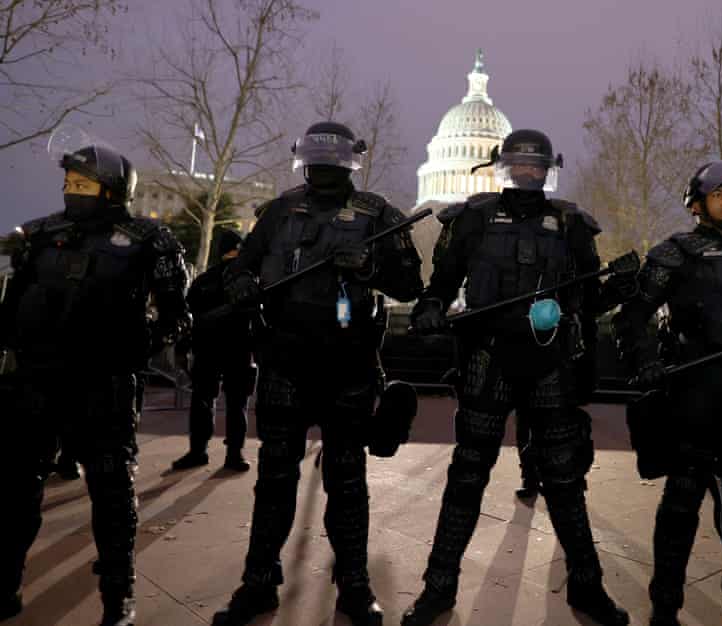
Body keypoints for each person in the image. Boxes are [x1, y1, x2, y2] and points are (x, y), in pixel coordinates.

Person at [403, 129, 632, 626]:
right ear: (503, 166)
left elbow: (588, 301)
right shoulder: (473, 218)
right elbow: (441, 283)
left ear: (547, 170)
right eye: (519, 165)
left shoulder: (572, 223)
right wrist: (430, 307)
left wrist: (619, 289)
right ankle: (437, 588)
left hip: (550, 364)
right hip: (489, 357)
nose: (527, 173)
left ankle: (587, 587)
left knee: (566, 483)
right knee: (466, 478)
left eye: (536, 166)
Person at [212, 122, 423, 626]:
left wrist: (370, 267)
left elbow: (412, 283)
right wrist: (239, 283)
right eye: (315, 162)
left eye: (331, 162)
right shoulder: (280, 210)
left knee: (348, 482)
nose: (322, 170)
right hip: (285, 361)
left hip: (347, 366)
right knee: (274, 481)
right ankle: (258, 580)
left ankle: (354, 584)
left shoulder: (379, 215)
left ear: (348, 163)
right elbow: (243, 263)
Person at [0, 130, 190, 626]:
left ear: (111, 188)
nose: (71, 189)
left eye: (82, 183)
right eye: (68, 181)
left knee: (111, 495)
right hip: (36, 383)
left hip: (102, 387)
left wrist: (135, 348)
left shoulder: (152, 241)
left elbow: (176, 315)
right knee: (17, 489)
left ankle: (118, 596)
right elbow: (11, 307)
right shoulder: (39, 234)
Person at [614, 159, 722, 626]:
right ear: (698, 203)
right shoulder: (675, 252)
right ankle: (665, 603)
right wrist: (647, 359)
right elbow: (631, 317)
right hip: (693, 394)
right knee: (682, 503)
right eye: (720, 193)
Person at [172, 228, 256, 473]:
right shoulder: (249, 278)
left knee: (202, 401)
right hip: (239, 349)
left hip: (207, 349)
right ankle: (234, 455)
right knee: (237, 404)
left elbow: (187, 320)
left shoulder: (203, 280)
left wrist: (182, 349)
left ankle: (198, 451)